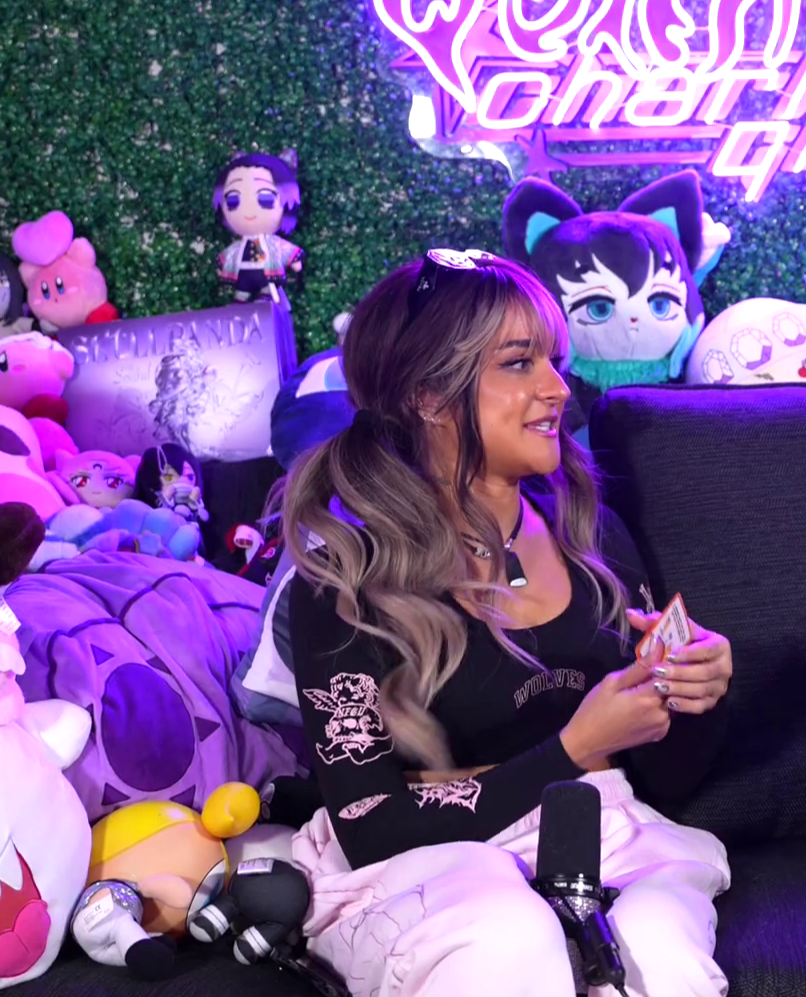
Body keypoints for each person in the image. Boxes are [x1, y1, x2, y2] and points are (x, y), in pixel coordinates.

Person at [278, 249, 734, 997]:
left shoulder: (593, 538)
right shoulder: (347, 582)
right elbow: (372, 824)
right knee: (508, 934)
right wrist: (576, 748)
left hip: (606, 837)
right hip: (428, 871)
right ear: (429, 395)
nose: (558, 388)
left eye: (555, 360)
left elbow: (668, 780)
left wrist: (693, 695)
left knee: (659, 949)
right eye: (520, 363)